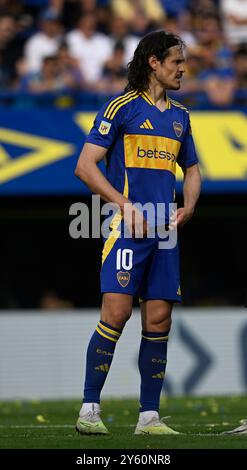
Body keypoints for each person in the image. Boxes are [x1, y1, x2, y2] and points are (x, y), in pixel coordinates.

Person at [74, 30, 201, 436]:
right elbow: (85, 166)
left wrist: (190, 205)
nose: (182, 69)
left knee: (160, 319)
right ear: (153, 62)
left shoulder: (181, 117)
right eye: (177, 62)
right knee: (116, 311)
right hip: (126, 227)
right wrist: (124, 205)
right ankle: (89, 410)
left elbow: (193, 169)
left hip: (165, 230)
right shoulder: (121, 107)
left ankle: (149, 418)